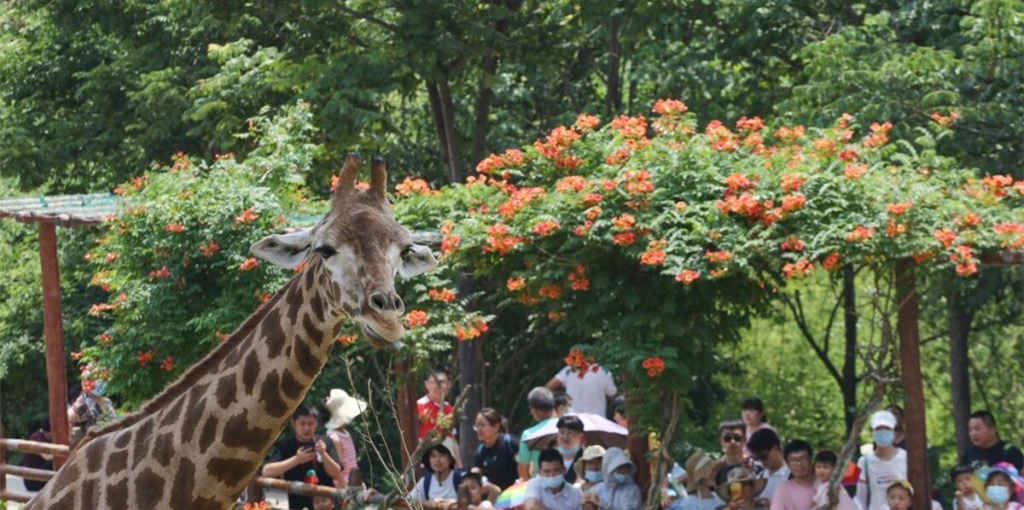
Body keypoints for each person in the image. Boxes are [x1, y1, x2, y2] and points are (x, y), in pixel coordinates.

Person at [262, 405, 341, 510]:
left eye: (310, 424)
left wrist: (324, 454)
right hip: (297, 504)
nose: (306, 428)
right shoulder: (285, 444)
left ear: (316, 424)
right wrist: (296, 459)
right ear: (294, 424)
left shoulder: (325, 441)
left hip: (325, 504)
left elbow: (336, 473)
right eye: (302, 424)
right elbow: (267, 471)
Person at [856, 410, 907, 510]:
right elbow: (860, 500)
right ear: (872, 432)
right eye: (878, 429)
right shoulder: (864, 462)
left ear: (894, 432)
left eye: (887, 428)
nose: (883, 432)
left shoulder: (905, 457)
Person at [545, 348, 618, 417]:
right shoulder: (603, 371)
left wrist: (559, 403)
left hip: (572, 421)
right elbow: (613, 395)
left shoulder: (568, 371)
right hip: (597, 422)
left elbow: (547, 389)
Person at [322, 388, 367, 488]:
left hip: (354, 480)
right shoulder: (334, 437)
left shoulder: (345, 433)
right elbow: (339, 467)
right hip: (344, 483)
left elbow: (352, 463)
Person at [418, 368, 462, 468]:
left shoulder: (450, 409)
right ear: (427, 385)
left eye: (442, 382)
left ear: (449, 385)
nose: (438, 386)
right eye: (434, 382)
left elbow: (452, 439)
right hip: (426, 465)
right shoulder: (419, 406)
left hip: (448, 466)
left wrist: (460, 466)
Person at [473, 407, 519, 490]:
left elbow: (526, 469)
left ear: (496, 427)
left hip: (516, 494)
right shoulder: (480, 451)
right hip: (494, 497)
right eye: (476, 425)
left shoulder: (511, 443)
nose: (478, 429)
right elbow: (476, 472)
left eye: (482, 425)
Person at [518, 387, 558, 479]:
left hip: (540, 484)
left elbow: (523, 468)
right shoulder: (566, 429)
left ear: (534, 410)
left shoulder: (528, 435)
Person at [769, 440, 816, 510]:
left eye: (803, 458)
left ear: (810, 460)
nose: (799, 464)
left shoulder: (825, 484)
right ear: (788, 464)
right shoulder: (783, 490)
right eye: (793, 460)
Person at [747, 428, 789, 504]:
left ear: (775, 449)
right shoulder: (759, 478)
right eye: (757, 458)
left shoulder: (794, 476)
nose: (761, 462)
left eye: (763, 457)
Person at [20, 418, 53, 491]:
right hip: (31, 481)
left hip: (40, 476)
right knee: (52, 462)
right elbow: (47, 457)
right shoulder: (36, 438)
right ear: (46, 432)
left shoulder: (48, 438)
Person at [553, 415, 586, 484]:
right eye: (562, 432)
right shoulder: (550, 454)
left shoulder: (586, 456)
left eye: (570, 433)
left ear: (580, 435)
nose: (565, 436)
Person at [716, 421, 750, 485]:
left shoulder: (755, 467)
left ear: (745, 440)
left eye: (737, 438)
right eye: (727, 438)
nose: (732, 441)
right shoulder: (714, 470)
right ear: (721, 441)